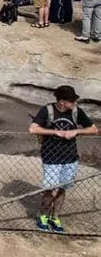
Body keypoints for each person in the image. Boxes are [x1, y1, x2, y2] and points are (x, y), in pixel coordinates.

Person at [29, 85, 98, 232]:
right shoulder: (47, 111)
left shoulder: (75, 111)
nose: (75, 103)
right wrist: (55, 132)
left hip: (70, 157)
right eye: (72, 101)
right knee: (51, 190)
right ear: (62, 102)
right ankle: (43, 216)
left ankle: (55, 217)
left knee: (62, 189)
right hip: (51, 157)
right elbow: (33, 128)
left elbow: (94, 129)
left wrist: (76, 131)